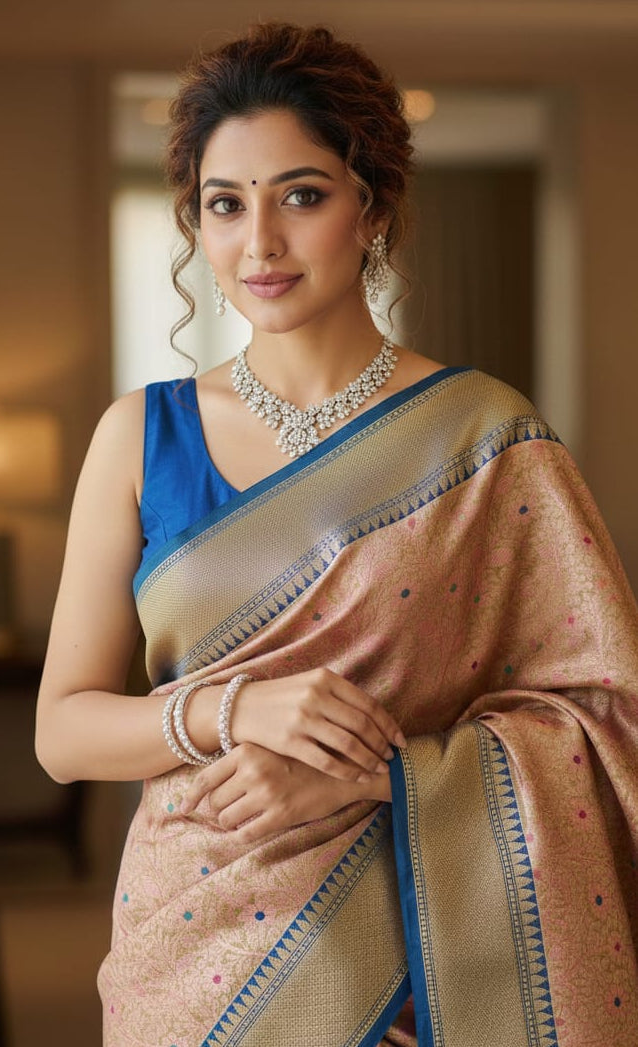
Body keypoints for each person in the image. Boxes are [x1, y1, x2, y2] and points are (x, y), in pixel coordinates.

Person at [36, 21, 638, 1047]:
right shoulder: (140, 435)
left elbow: (601, 713)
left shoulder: (483, 438)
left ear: (371, 207)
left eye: (300, 196)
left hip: (417, 952)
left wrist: (381, 772)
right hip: (186, 949)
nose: (257, 244)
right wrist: (238, 709)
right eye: (224, 205)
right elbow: (64, 732)